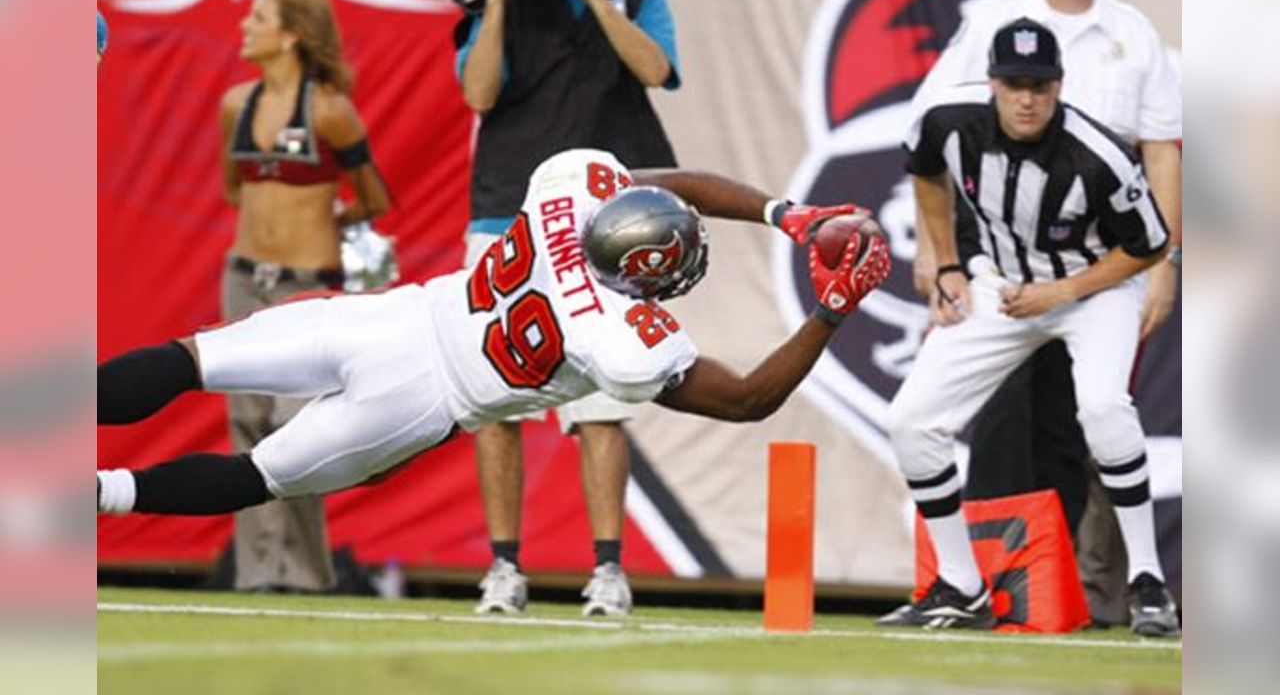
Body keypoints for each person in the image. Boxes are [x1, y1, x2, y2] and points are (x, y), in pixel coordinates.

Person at [97, 148, 892, 563]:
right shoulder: (619, 334)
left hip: (390, 320)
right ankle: (87, 495)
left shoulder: (566, 189)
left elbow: (656, 182)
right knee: (253, 478)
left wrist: (786, 213)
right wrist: (831, 309)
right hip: (421, 400)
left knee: (188, 359)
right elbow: (749, 398)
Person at [880, 19, 1178, 637]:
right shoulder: (948, 120)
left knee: (1101, 407)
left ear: (1059, 88)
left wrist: (1063, 292)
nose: (1026, 98)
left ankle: (1148, 581)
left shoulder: (1097, 155)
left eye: (1039, 86)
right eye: (1014, 84)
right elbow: (927, 172)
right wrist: (949, 263)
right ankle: (960, 586)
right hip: (1004, 285)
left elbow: (1147, 246)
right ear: (991, 82)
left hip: (1093, 287)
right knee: (911, 421)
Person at [455, 0, 680, 615]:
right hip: (508, 216)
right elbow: (478, 90)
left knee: (605, 401)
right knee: (498, 401)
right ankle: (503, 566)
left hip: (608, 221)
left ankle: (608, 568)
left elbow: (654, 67)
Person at [216, 0, 391, 593]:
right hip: (242, 278)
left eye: (257, 17)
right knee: (246, 423)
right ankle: (255, 574)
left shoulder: (330, 111)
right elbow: (235, 188)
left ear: (290, 33)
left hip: (309, 283)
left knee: (297, 431)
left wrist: (325, 220)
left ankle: (307, 575)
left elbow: (375, 197)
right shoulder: (236, 103)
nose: (245, 26)